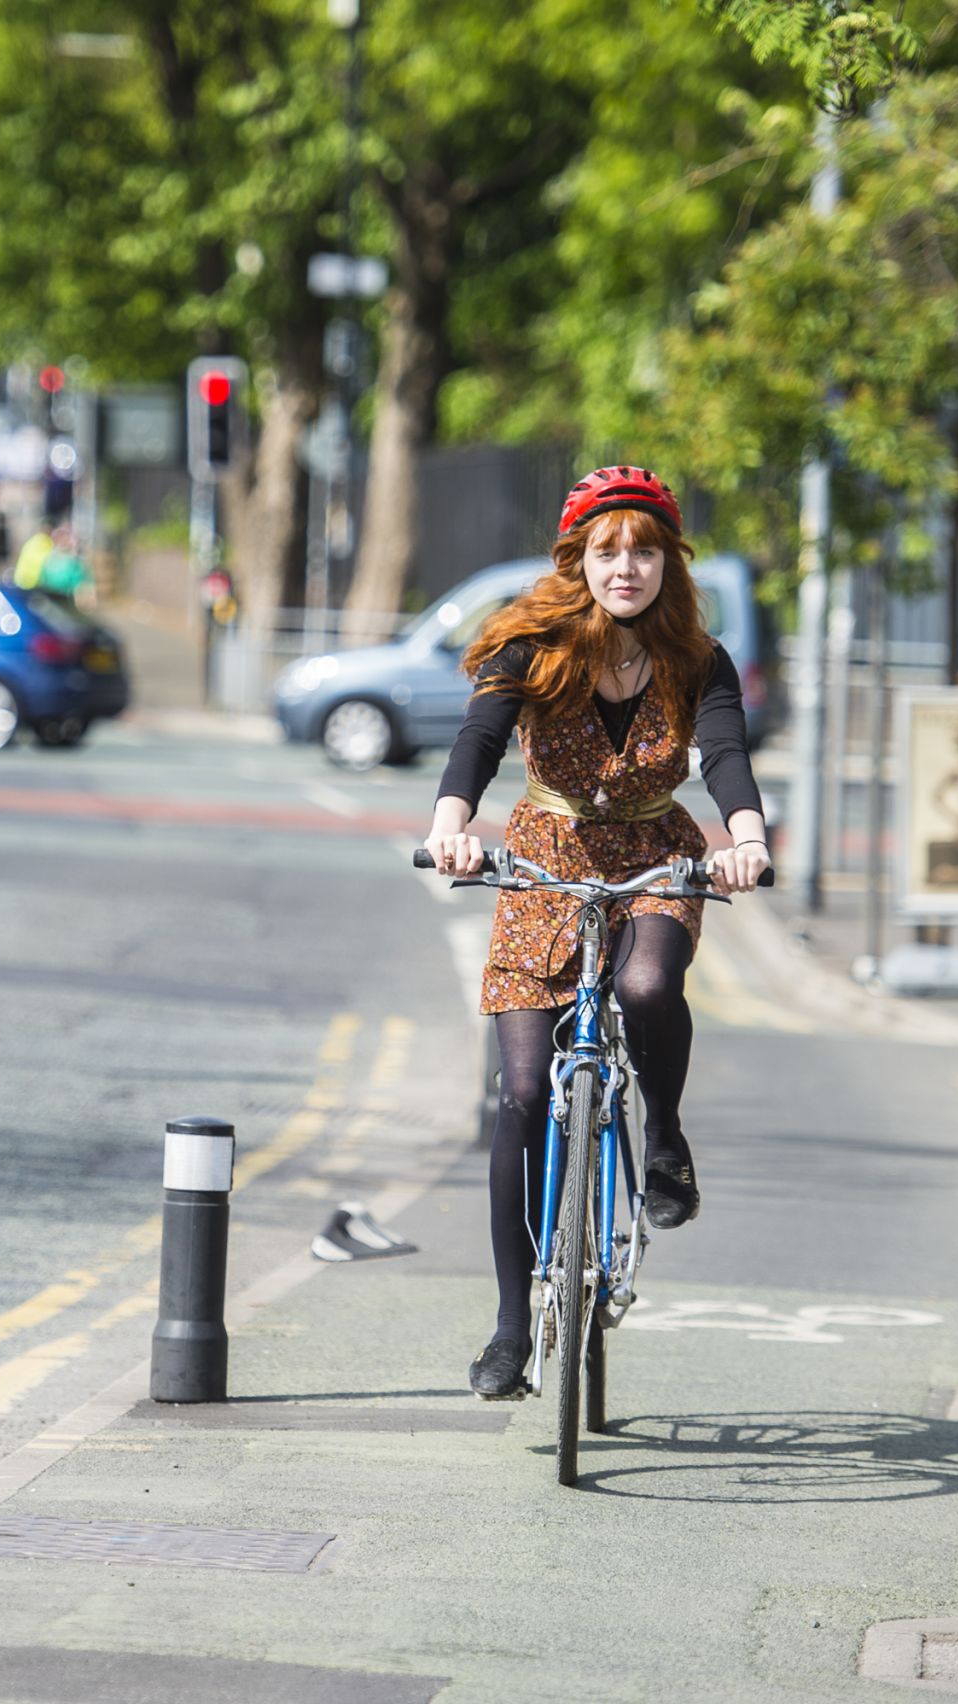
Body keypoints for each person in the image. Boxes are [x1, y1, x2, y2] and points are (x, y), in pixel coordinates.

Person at [419, 465, 772, 1400]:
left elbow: (726, 754)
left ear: (669, 563)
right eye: (609, 550)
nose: (628, 567)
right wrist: (452, 822)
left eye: (645, 550)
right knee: (524, 1093)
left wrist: (747, 839)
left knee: (649, 987)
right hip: (545, 853)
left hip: (656, 851)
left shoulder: (701, 657)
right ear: (579, 558)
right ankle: (509, 1327)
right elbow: (480, 742)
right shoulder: (533, 643)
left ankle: (665, 1142)